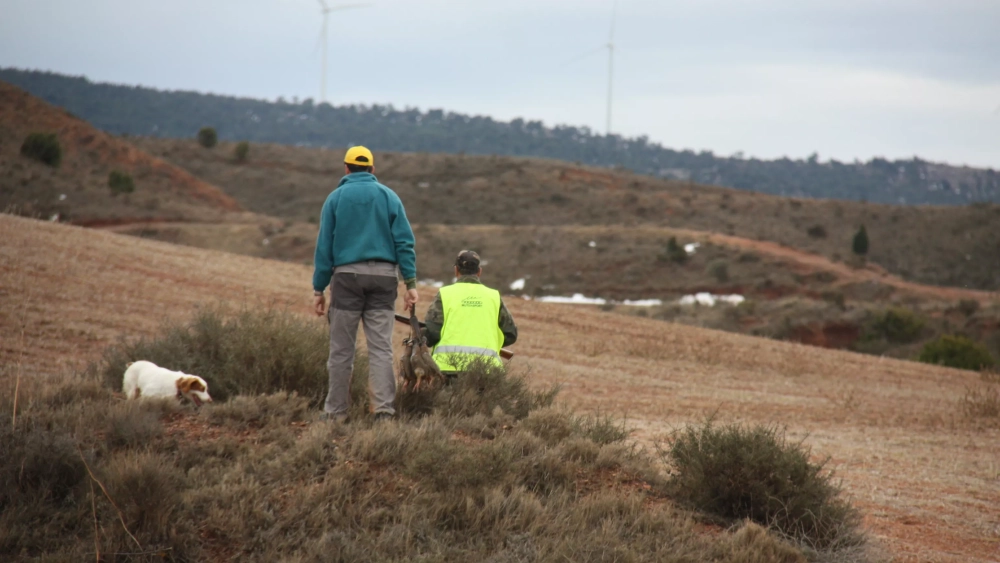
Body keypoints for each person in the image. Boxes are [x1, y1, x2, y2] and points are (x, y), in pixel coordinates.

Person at [312, 146, 418, 422]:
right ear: (372, 169)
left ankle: (336, 413)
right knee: (381, 348)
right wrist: (410, 283)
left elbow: (324, 247)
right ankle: (383, 411)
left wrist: (319, 288)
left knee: (341, 351)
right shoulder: (389, 196)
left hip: (346, 279)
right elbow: (404, 242)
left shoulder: (335, 198)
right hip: (384, 279)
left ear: (346, 168)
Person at [422, 250, 517, 374]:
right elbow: (510, 334)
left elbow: (432, 333)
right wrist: (491, 343)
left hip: (448, 369)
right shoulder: (493, 296)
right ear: (479, 271)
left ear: (456, 270)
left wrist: (421, 333)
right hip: (487, 370)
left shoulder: (445, 294)